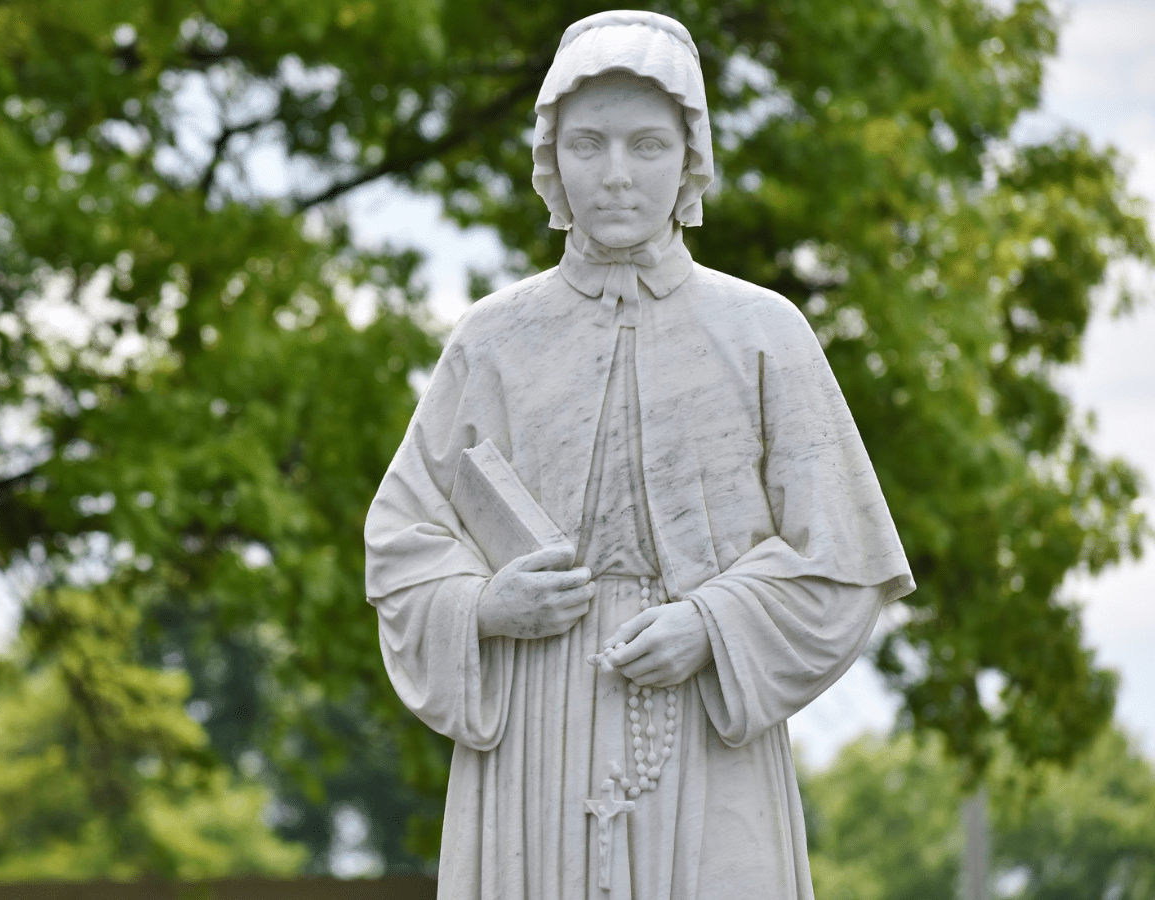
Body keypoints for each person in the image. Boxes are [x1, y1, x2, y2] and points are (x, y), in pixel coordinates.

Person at [364, 11, 915, 899]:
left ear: (691, 156)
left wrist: (712, 625)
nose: (616, 175)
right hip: (534, 728)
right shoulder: (493, 339)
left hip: (705, 724)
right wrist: (483, 606)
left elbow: (843, 559)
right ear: (552, 158)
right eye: (588, 144)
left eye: (648, 145)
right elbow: (400, 543)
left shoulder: (765, 331)